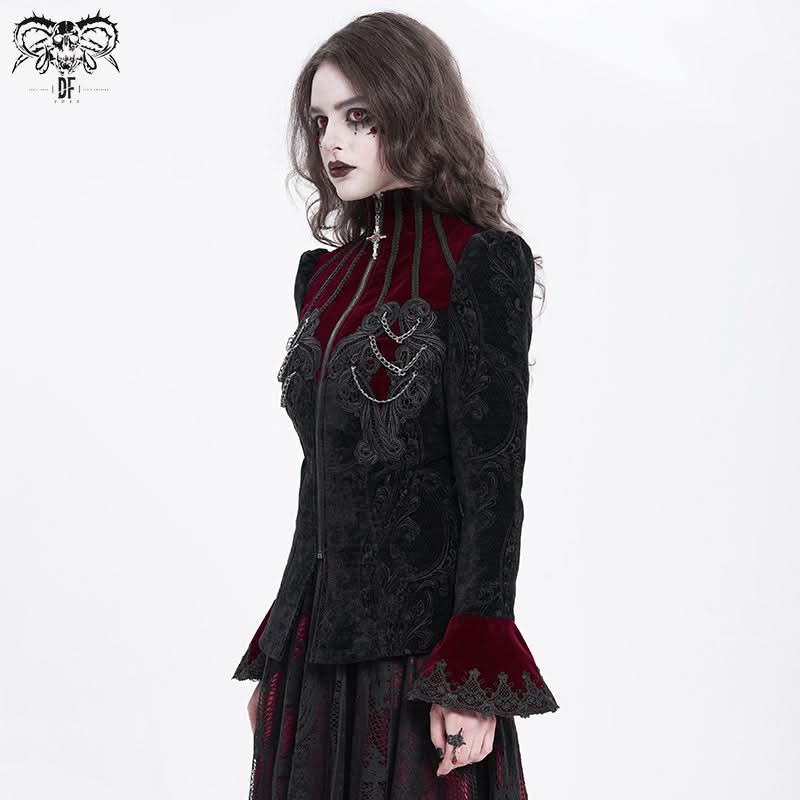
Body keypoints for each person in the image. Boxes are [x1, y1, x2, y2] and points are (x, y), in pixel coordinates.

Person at [231, 11, 559, 798]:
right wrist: (277, 649)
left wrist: (473, 673)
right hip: (312, 650)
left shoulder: (480, 262)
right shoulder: (323, 278)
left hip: (418, 663)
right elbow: (321, 479)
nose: (333, 142)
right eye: (321, 121)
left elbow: (492, 480)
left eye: (359, 117)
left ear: (412, 109)